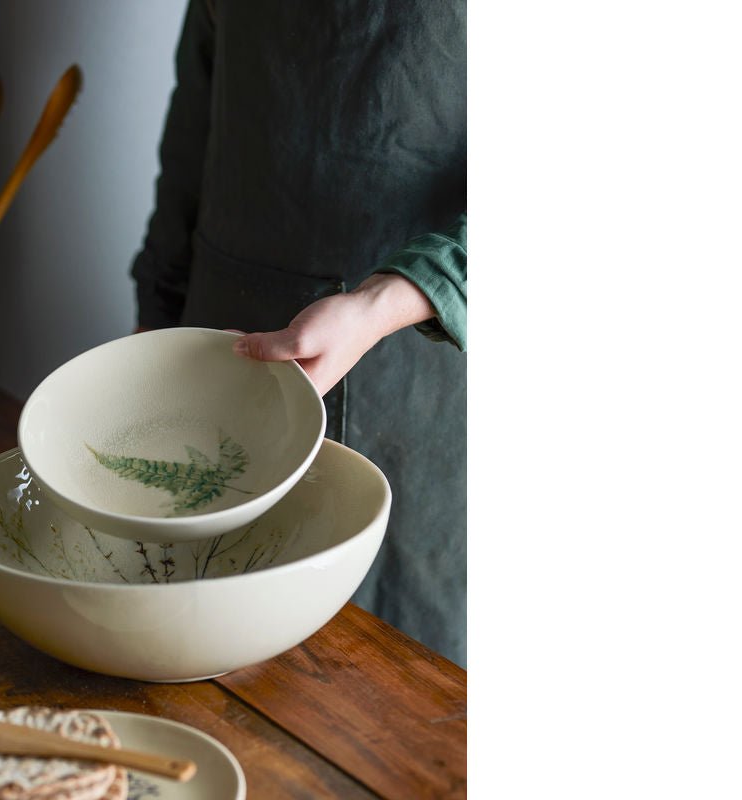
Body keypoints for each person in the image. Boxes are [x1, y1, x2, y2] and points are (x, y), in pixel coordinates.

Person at [129, 0, 467, 664]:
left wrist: (383, 302)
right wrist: (155, 315)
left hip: (411, 391)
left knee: (380, 707)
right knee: (191, 672)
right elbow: (199, 106)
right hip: (217, 367)